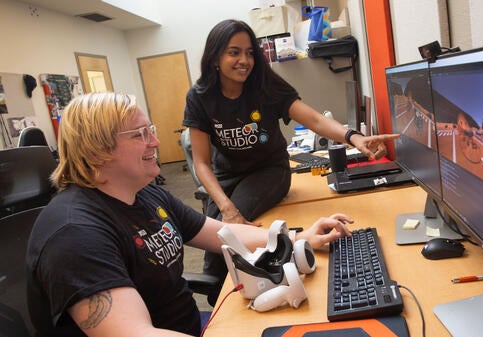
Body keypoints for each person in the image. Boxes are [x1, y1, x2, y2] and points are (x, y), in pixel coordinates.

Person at [26, 92, 353, 337]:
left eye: (149, 130)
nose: (155, 141)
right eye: (140, 134)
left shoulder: (144, 193)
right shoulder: (75, 234)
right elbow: (136, 334)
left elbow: (220, 233)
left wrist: (300, 237)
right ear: (98, 151)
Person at [182, 19, 399, 302]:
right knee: (214, 233)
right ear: (214, 57)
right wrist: (224, 204)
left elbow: (315, 119)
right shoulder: (200, 96)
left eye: (249, 52)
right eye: (234, 52)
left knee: (234, 225)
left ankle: (236, 294)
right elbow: (200, 162)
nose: (244, 60)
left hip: (269, 171)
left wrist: (354, 137)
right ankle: (220, 297)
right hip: (226, 174)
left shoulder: (265, 84)